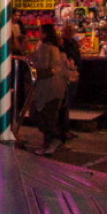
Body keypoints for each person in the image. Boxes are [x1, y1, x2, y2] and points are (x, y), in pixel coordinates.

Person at [32, 24, 67, 156]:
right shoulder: (55, 48)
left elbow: (43, 67)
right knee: (49, 115)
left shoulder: (45, 48)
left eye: (40, 32)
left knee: (42, 115)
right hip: (56, 86)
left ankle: (53, 139)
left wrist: (33, 71)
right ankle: (51, 141)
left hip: (48, 87)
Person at [59, 24, 83, 141]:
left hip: (73, 74)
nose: (69, 33)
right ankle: (63, 129)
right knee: (65, 103)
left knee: (69, 102)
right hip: (67, 75)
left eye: (71, 31)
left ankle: (66, 128)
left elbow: (77, 56)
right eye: (67, 30)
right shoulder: (61, 44)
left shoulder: (73, 42)